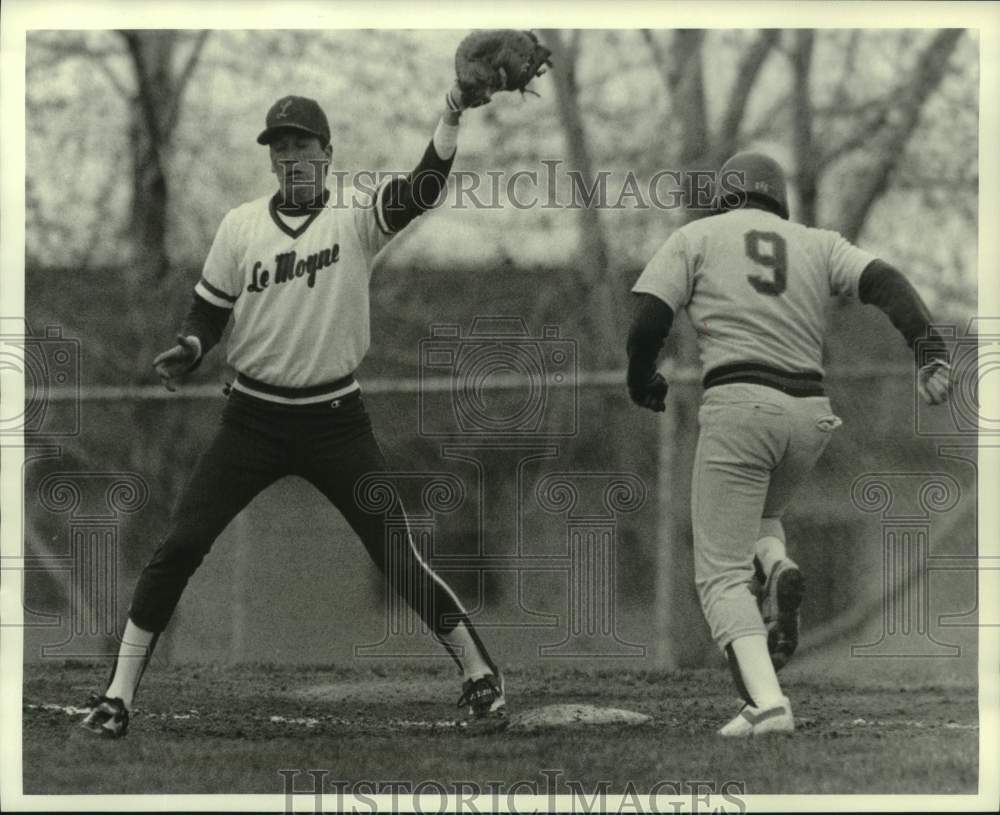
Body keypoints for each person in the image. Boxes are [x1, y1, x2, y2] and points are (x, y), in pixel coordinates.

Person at [81, 87, 507, 738]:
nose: (290, 156)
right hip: (252, 418)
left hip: (337, 418)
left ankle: (480, 673)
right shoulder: (240, 225)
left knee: (396, 553)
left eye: (301, 143)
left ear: (327, 152)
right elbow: (209, 310)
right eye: (279, 146)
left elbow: (423, 187)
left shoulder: (357, 218)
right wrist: (193, 344)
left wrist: (449, 111)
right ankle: (117, 695)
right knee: (182, 544)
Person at [626, 151, 952, 736]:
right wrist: (927, 348)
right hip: (809, 417)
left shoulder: (698, 235)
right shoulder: (814, 242)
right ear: (779, 198)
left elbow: (649, 315)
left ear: (728, 194)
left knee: (720, 575)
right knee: (761, 517)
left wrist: (640, 376)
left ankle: (768, 704)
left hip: (740, 406)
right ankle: (775, 563)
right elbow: (886, 281)